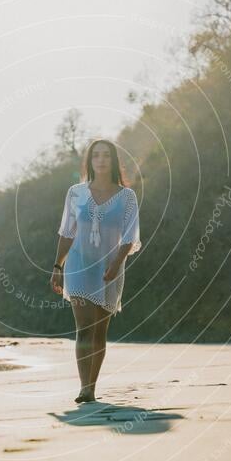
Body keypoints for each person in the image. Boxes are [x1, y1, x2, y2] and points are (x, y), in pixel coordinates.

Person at [50, 139, 141, 403]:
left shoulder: (127, 197)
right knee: (83, 329)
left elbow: (130, 236)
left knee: (99, 331)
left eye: (106, 156)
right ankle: (84, 388)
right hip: (78, 267)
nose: (101, 160)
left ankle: (92, 384)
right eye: (96, 156)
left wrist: (116, 263)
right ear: (90, 161)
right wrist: (58, 266)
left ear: (113, 161)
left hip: (109, 269)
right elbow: (67, 233)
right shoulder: (76, 193)